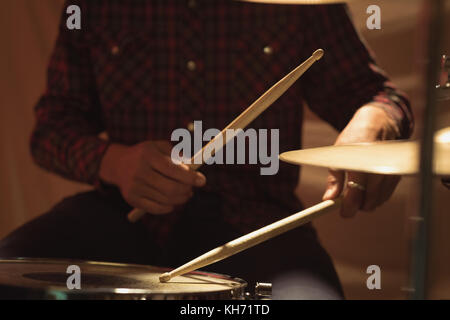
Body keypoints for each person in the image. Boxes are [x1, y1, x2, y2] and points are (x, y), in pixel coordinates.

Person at [0, 0, 413, 299]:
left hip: (255, 221)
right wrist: (116, 163)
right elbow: (51, 128)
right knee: (12, 272)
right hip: (121, 214)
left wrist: (374, 126)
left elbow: (378, 97)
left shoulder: (302, 4)